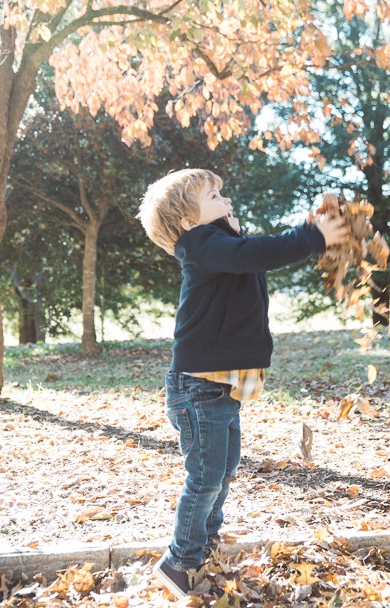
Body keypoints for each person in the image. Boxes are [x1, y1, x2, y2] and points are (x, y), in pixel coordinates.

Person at [136, 168, 349, 598]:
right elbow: (253, 254)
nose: (227, 200)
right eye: (215, 196)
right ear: (188, 222)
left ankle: (204, 546)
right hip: (198, 389)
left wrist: (234, 226)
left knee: (223, 470)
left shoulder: (218, 246)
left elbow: (246, 254)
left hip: (217, 389)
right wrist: (312, 236)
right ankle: (181, 560)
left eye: (223, 193)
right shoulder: (200, 246)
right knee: (206, 476)